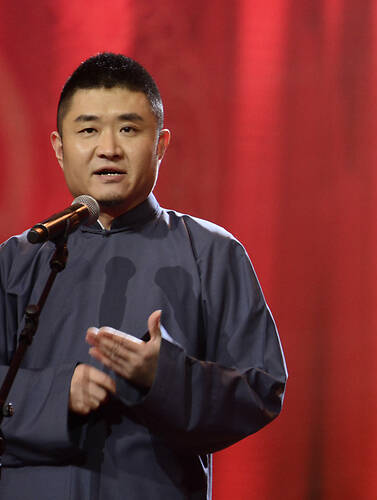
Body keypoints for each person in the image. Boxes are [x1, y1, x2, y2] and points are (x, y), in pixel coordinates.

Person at [0, 53, 287, 499]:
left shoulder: (211, 253)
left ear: (161, 145)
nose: (109, 148)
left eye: (129, 129)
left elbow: (261, 390)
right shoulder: (20, 259)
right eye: (88, 130)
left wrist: (163, 376)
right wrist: (57, 394)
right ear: (59, 147)